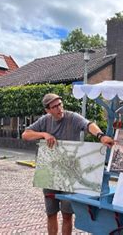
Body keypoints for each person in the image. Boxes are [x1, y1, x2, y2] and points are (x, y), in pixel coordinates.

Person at [22, 93, 114, 235]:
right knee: (51, 213)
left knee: (67, 215)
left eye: (60, 104)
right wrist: (44, 134)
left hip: (70, 176)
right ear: (48, 110)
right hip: (50, 175)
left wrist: (101, 136)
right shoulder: (45, 120)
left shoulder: (72, 117)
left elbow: (89, 125)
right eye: (55, 107)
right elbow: (25, 134)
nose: (59, 108)